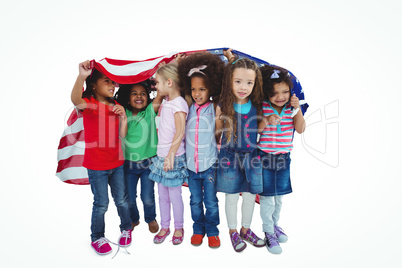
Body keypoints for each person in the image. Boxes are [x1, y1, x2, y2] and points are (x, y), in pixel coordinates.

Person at [70, 61, 132, 255]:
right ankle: (97, 237)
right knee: (101, 203)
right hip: (96, 166)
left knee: (121, 200)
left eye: (113, 82)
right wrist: (81, 76)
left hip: (117, 164)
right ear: (94, 85)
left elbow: (123, 135)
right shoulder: (90, 105)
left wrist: (124, 118)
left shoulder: (117, 106)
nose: (112, 85)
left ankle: (126, 228)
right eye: (107, 81)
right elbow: (75, 100)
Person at [215, 56, 266, 252]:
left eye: (249, 82)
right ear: (230, 81)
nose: (243, 86)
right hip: (229, 156)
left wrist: (268, 120)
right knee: (232, 196)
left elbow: (259, 129)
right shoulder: (223, 104)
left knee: (250, 195)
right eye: (238, 81)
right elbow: (217, 131)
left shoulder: (256, 104)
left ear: (255, 83)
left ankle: (246, 229)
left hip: (251, 156)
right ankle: (233, 231)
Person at [177, 52, 224, 248]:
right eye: (194, 89)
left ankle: (212, 231)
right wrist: (177, 63)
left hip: (209, 165)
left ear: (211, 88)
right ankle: (198, 229)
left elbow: (227, 86)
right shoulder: (187, 107)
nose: (197, 93)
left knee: (211, 202)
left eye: (202, 89)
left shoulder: (215, 107)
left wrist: (229, 58)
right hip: (191, 167)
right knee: (195, 201)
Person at [257, 65, 306, 254]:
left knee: (279, 198)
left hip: (284, 158)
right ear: (267, 93)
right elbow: (257, 130)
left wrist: (297, 108)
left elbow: (300, 129)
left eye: (285, 91)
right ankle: (268, 232)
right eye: (275, 93)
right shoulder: (263, 106)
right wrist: (267, 120)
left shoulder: (290, 109)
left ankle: (275, 225)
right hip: (265, 158)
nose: (280, 96)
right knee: (268, 198)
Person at [148, 63, 189, 245]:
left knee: (174, 196)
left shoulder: (179, 104)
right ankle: (165, 226)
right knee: (162, 195)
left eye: (158, 82)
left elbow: (180, 132)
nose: (156, 86)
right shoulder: (167, 101)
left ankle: (178, 227)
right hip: (161, 156)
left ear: (169, 83)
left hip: (173, 157)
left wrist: (171, 154)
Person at [115, 79, 162, 234]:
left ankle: (151, 218)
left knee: (147, 197)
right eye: (134, 94)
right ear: (127, 98)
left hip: (148, 164)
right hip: (128, 165)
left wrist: (165, 72)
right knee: (129, 198)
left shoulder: (149, 111)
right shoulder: (124, 113)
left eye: (143, 93)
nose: (139, 96)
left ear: (148, 97)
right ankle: (134, 219)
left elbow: (160, 94)